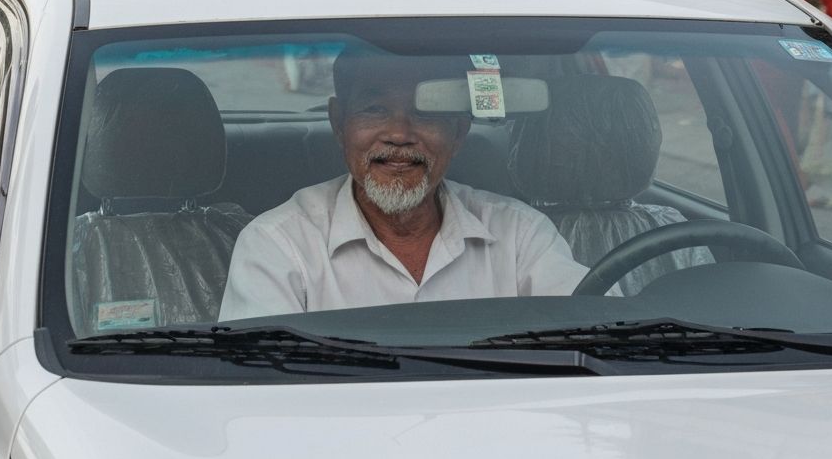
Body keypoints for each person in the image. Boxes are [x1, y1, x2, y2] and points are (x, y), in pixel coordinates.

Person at [218, 51, 589, 320]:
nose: (399, 134)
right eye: (375, 109)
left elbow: (595, 343)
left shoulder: (521, 235)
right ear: (338, 124)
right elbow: (264, 390)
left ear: (459, 132)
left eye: (425, 112)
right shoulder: (278, 245)